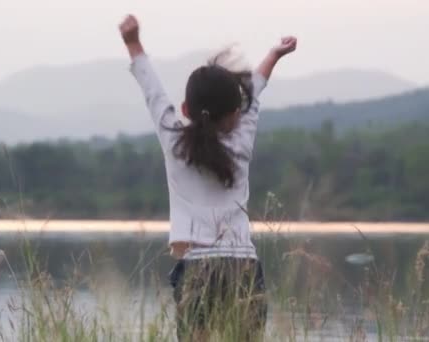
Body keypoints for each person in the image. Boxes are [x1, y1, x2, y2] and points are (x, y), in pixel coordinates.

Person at [119, 14, 297, 341]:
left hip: (198, 267)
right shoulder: (241, 142)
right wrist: (274, 55)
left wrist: (132, 42)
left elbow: (154, 93)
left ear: (185, 110)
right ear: (235, 113)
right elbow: (254, 95)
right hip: (242, 264)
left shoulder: (174, 142)